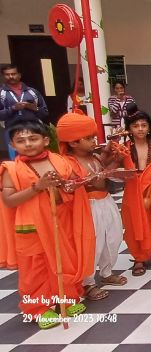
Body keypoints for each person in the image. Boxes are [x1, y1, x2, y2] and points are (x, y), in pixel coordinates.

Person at [1, 120, 93, 329]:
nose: (28, 144)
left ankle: (67, 300)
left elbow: (73, 185)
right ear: (12, 145)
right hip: (31, 226)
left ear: (44, 140)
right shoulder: (11, 169)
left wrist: (67, 185)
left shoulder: (60, 161)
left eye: (32, 138)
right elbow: (9, 200)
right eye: (21, 141)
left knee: (65, 261)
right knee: (35, 269)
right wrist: (37, 187)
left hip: (62, 221)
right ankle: (39, 309)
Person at [57, 112, 126, 302]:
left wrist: (116, 157)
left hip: (106, 201)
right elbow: (70, 186)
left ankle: (106, 272)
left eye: (93, 137)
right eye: (88, 138)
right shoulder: (67, 163)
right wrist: (90, 179)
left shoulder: (95, 156)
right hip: (87, 207)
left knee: (113, 237)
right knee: (92, 244)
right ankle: (87, 283)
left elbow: (105, 168)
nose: (94, 141)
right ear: (73, 142)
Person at [120, 104, 151, 276]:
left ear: (149, 128)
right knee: (134, 225)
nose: (140, 129)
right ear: (129, 129)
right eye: (135, 126)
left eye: (143, 125)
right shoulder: (124, 147)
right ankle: (139, 258)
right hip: (133, 191)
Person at [1, 65, 49, 159]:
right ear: (3, 76)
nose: (11, 76)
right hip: (12, 128)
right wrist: (13, 108)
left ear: (19, 75)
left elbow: (45, 112)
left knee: (38, 156)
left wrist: (34, 108)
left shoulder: (32, 92)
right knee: (15, 158)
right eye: (7, 74)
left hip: (34, 127)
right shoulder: (1, 93)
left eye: (13, 74)